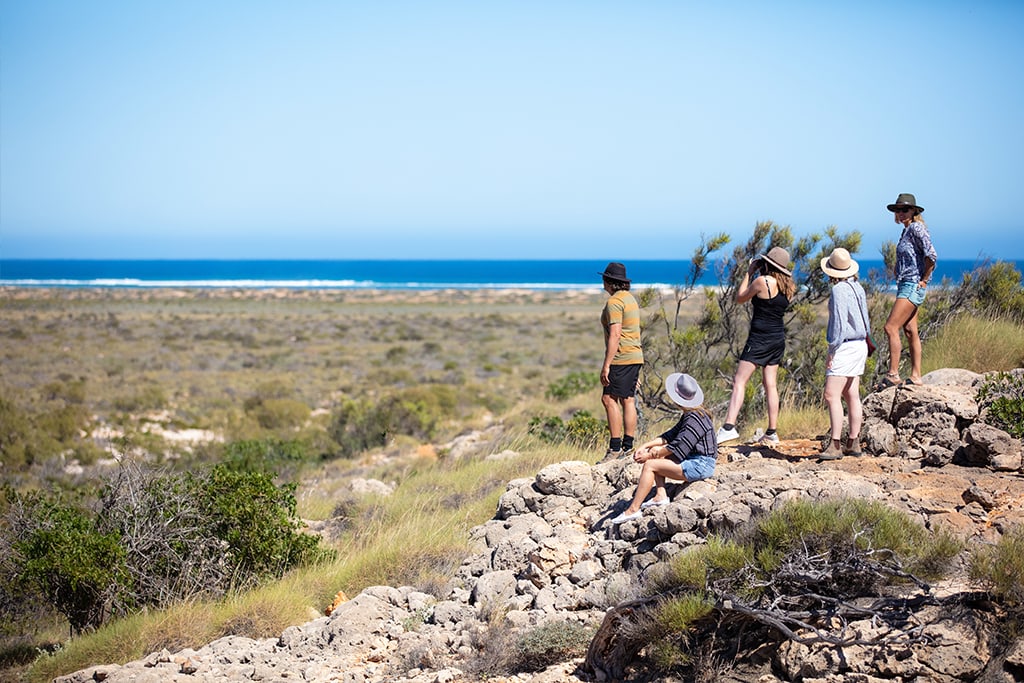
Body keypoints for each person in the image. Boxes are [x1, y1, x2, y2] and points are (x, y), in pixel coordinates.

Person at [610, 372, 717, 524]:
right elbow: (670, 435)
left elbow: (679, 445)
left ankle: (633, 509)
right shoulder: (693, 413)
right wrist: (646, 446)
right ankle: (660, 495)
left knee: (650, 465)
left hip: (701, 464)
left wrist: (650, 455)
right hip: (700, 461)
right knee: (657, 458)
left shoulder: (693, 418)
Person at [716, 246, 796, 445]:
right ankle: (772, 431)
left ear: (767, 264)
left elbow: (740, 297)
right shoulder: (789, 287)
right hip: (777, 339)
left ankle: (728, 427)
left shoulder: (762, 282)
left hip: (759, 339)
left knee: (739, 381)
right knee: (770, 385)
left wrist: (749, 273)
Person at [817, 248, 870, 461]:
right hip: (859, 344)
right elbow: (865, 319)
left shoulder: (838, 290)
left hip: (846, 346)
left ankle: (835, 444)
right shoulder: (858, 288)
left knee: (831, 394)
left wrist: (832, 350)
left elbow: (838, 324)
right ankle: (853, 442)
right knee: (851, 394)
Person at [880, 193, 937, 388]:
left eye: (905, 209)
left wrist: (925, 280)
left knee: (890, 327)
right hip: (906, 284)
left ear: (914, 211)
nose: (901, 213)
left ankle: (894, 373)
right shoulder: (906, 231)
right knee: (910, 330)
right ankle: (916, 376)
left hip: (912, 285)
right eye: (898, 210)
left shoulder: (916, 228)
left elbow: (931, 254)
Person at [598, 262, 644, 459]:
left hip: (621, 357)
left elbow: (615, 334)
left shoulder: (615, 302)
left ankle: (615, 448)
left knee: (609, 399)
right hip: (635, 356)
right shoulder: (630, 299)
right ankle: (627, 447)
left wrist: (607, 365)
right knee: (628, 399)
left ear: (609, 281)